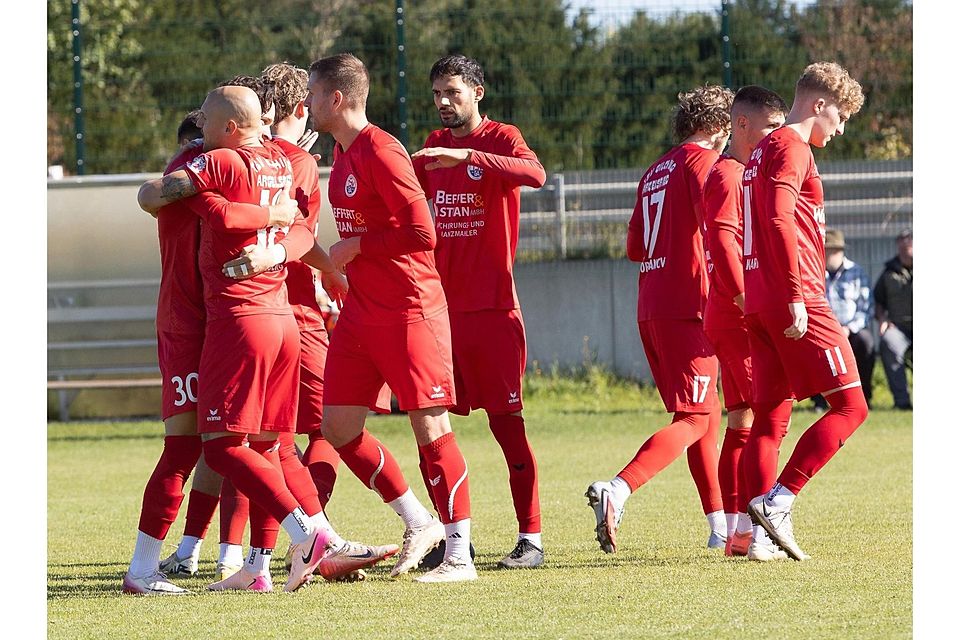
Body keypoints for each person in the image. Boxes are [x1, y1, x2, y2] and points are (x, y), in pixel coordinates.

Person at [135, 85, 397, 593]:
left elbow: (275, 226)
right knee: (210, 447)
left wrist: (282, 249)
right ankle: (224, 556)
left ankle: (282, 550)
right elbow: (155, 196)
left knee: (251, 445)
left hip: (240, 321)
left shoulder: (234, 164)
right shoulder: (246, 162)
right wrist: (279, 228)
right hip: (200, 327)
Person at [306, 53, 477, 582]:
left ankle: (459, 555)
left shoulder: (381, 150)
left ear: (336, 99)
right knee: (337, 428)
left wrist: (358, 245)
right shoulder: (341, 152)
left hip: (409, 310)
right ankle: (416, 520)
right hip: (362, 313)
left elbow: (423, 232)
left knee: (431, 426)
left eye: (312, 94)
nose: (306, 104)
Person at [411, 54, 547, 569]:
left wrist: (471, 158)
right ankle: (454, 538)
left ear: (477, 93)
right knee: (432, 427)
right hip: (438, 314)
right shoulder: (432, 147)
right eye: (437, 94)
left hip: (492, 312)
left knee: (507, 425)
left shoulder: (500, 138)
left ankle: (530, 539)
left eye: (453, 92)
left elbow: (534, 173)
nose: (444, 103)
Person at [586, 84, 733, 554]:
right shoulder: (703, 163)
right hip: (689, 304)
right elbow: (713, 225)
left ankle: (720, 528)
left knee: (701, 417)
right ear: (717, 127)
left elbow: (634, 247)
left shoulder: (654, 170)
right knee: (694, 418)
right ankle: (619, 488)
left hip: (651, 303)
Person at [740, 62, 867, 562]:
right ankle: (781, 501)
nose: (840, 129)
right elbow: (774, 215)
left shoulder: (760, 150)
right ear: (819, 104)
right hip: (799, 297)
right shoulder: (790, 145)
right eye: (840, 116)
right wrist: (795, 292)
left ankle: (758, 539)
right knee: (852, 406)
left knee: (770, 417)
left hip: (760, 300)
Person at [701, 85, 788, 559]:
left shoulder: (742, 173)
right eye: (771, 127)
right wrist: (745, 298)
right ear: (741, 125)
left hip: (729, 313)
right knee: (769, 418)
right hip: (738, 315)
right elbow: (721, 238)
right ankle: (760, 532)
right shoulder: (732, 173)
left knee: (742, 421)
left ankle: (738, 530)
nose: (778, 137)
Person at [811, 228, 875, 410]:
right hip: (823, 331)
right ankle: (820, 401)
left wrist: (848, 329)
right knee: (811, 348)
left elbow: (866, 308)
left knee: (866, 343)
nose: (827, 254)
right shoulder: (814, 274)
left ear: (839, 251)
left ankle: (864, 395)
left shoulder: (857, 272)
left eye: (830, 250)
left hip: (850, 330)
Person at [874, 228, 912, 410]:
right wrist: (882, 320)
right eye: (902, 241)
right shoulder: (889, 272)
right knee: (888, 342)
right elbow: (878, 300)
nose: (906, 245)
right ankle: (902, 401)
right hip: (899, 327)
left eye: (910, 240)